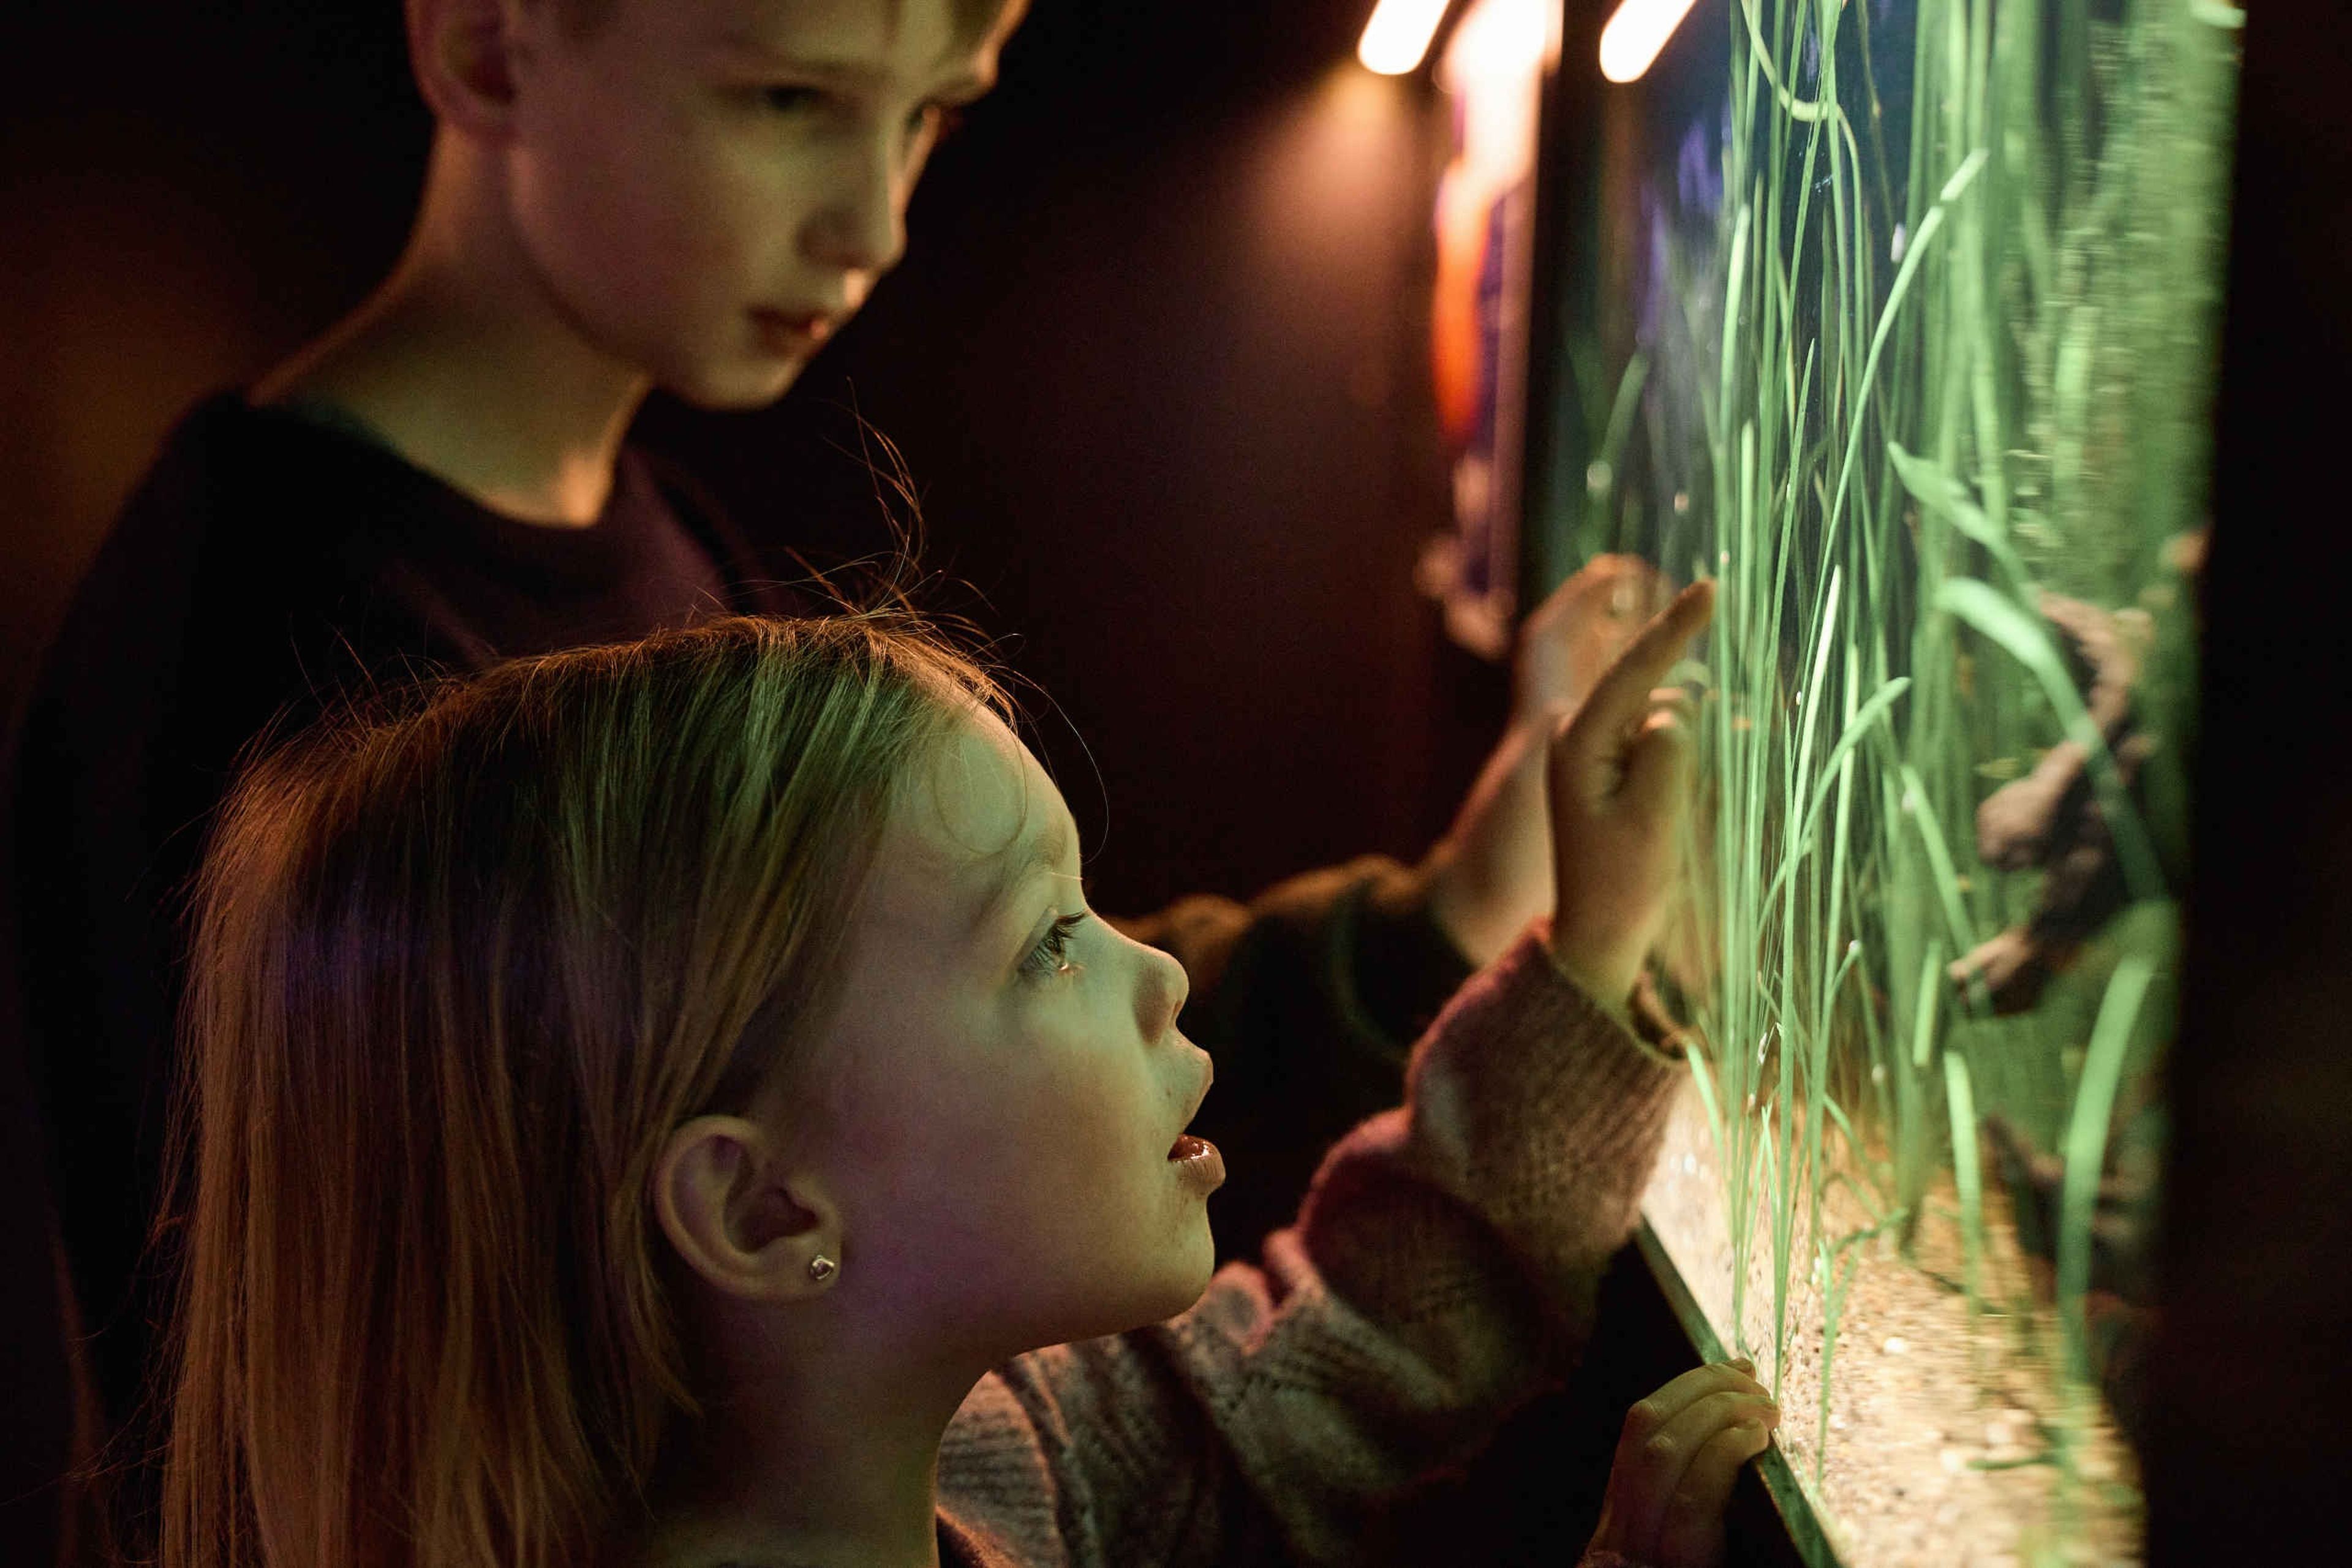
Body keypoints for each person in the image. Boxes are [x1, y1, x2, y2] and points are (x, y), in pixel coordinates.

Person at [6, 0, 1666, 1472]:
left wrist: (1443, 917)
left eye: (935, 108)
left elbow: (916, 1050)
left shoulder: (653, 541)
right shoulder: (300, 669)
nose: (873, 222)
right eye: (787, 100)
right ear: (488, 47)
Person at [161, 584, 1776, 1568]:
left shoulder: (987, 1444)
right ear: (763, 1198)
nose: (1151, 972)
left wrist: (1587, 957)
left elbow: (1324, 1370)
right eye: (1048, 945)